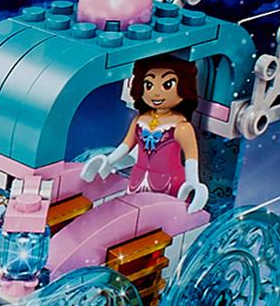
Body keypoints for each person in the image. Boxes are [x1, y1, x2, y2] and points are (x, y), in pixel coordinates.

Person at [80, 55, 209, 212]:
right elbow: (126, 145)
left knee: (163, 214)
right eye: (149, 84)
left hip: (169, 181)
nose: (156, 93)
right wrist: (108, 160)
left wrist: (193, 181)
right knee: (132, 212)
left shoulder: (181, 127)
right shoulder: (140, 120)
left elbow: (191, 158)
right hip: (138, 177)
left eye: (167, 85)